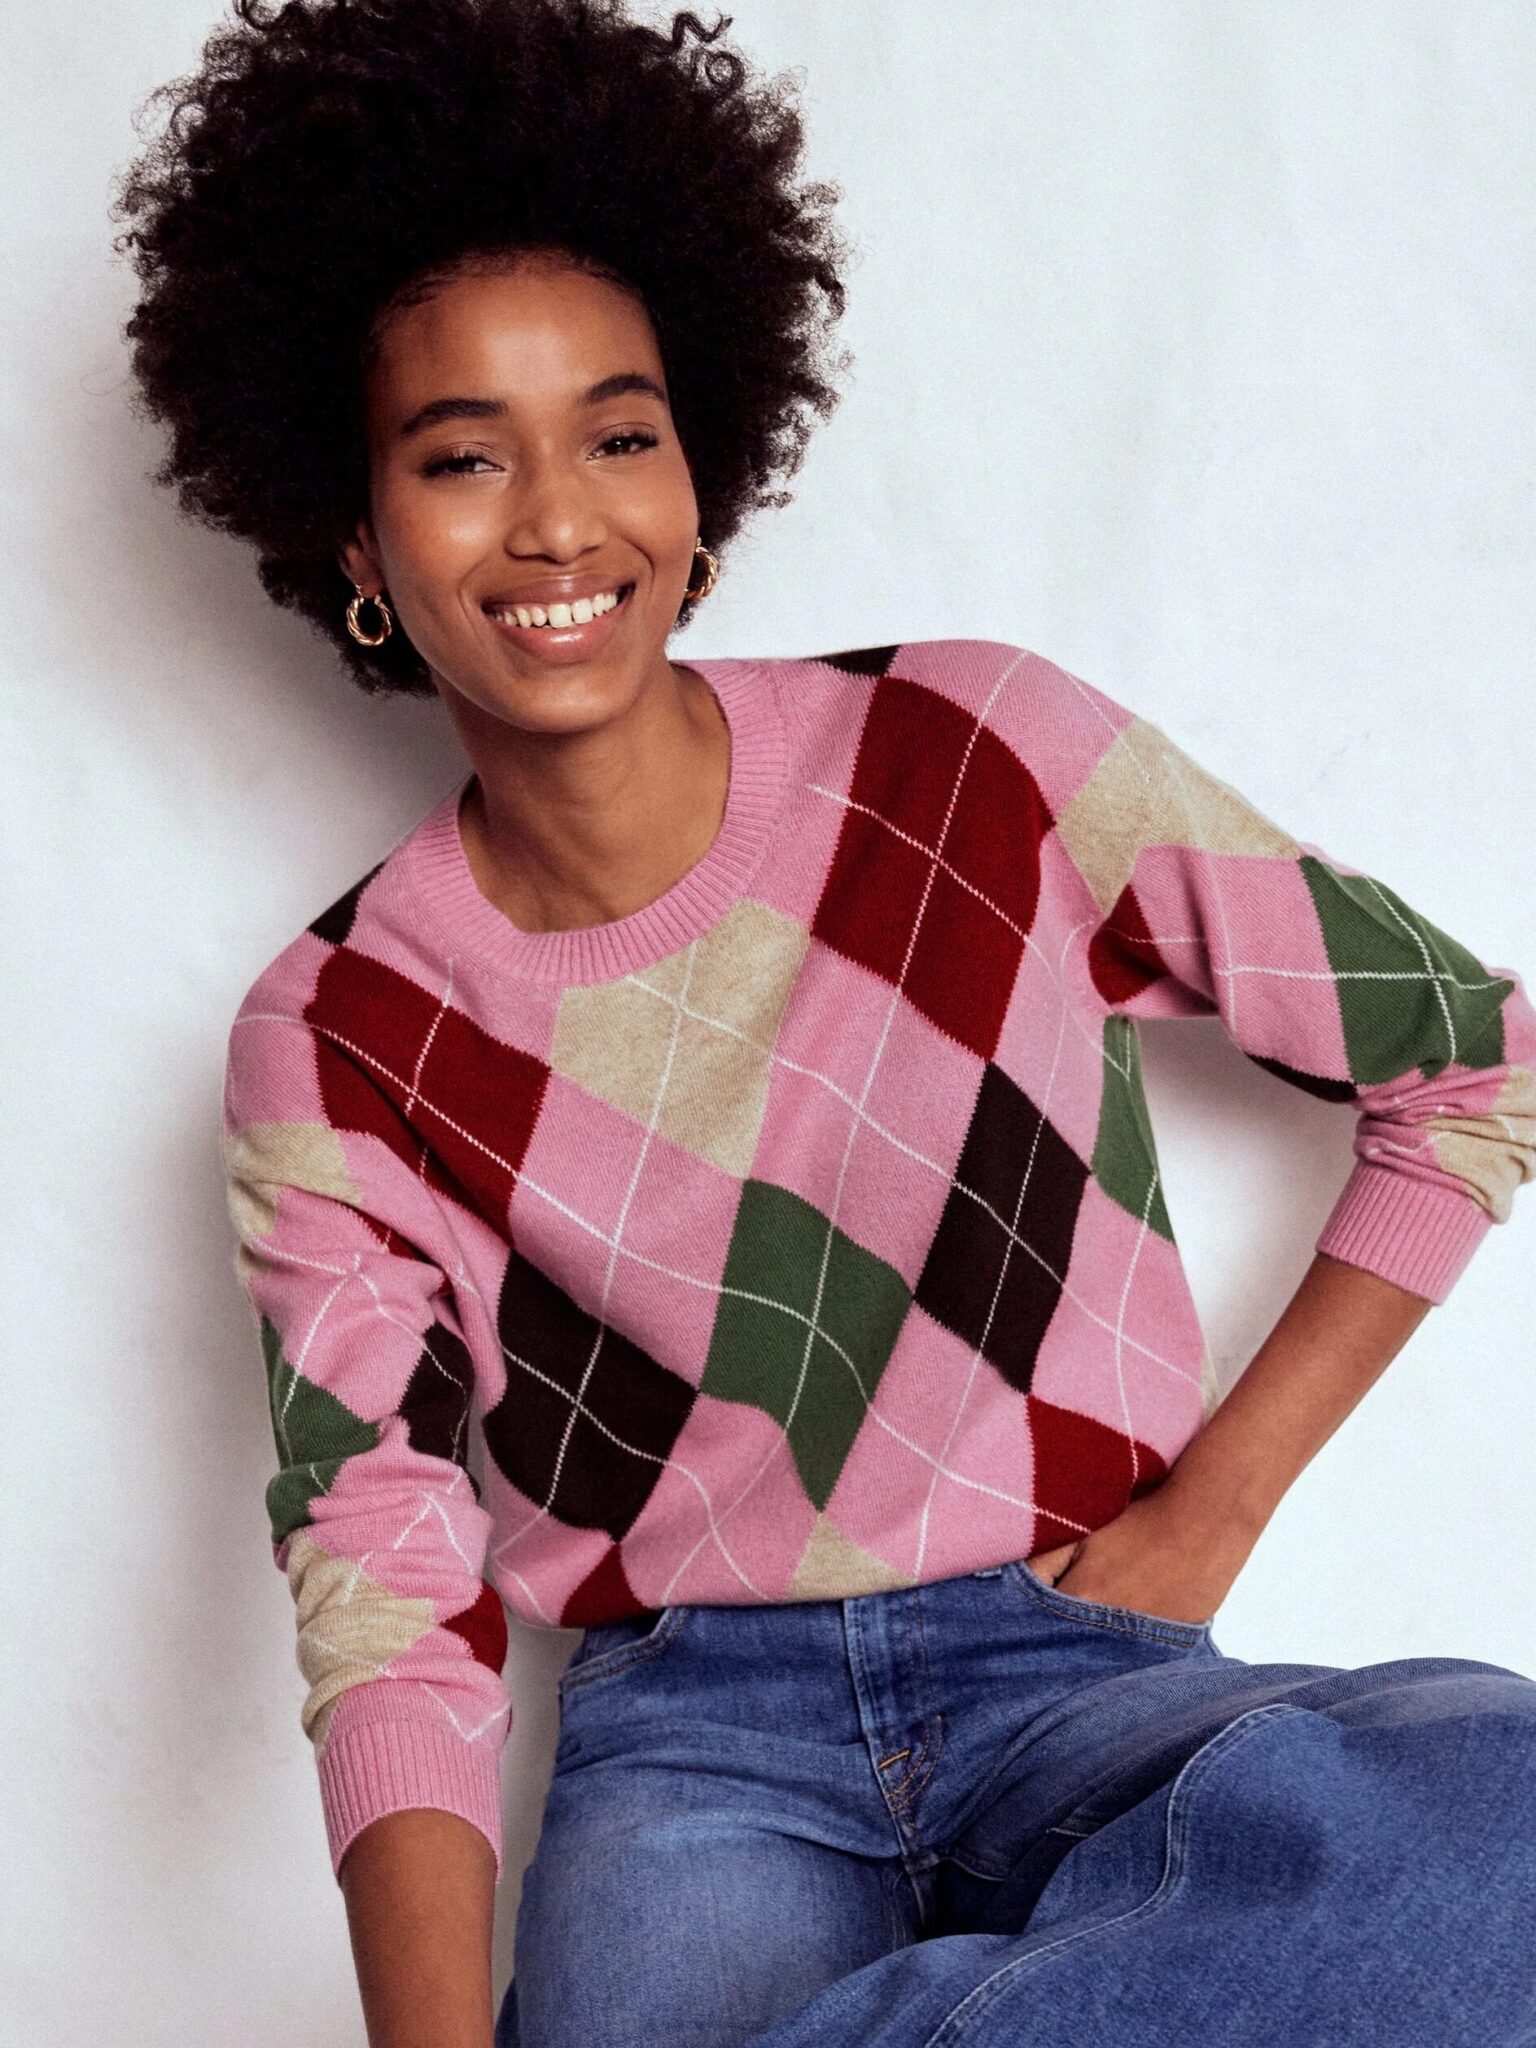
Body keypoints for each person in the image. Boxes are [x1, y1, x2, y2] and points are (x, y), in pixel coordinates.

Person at [113, 3, 1536, 2044]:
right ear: (355, 544)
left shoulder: (981, 756)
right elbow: (384, 1581)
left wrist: (1214, 1506)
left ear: (702, 468)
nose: (556, 518)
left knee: (1507, 1810)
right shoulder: (338, 1033)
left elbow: (1472, 1062)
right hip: (695, 1753)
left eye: (619, 430)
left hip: (1082, 1667)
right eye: (457, 456)